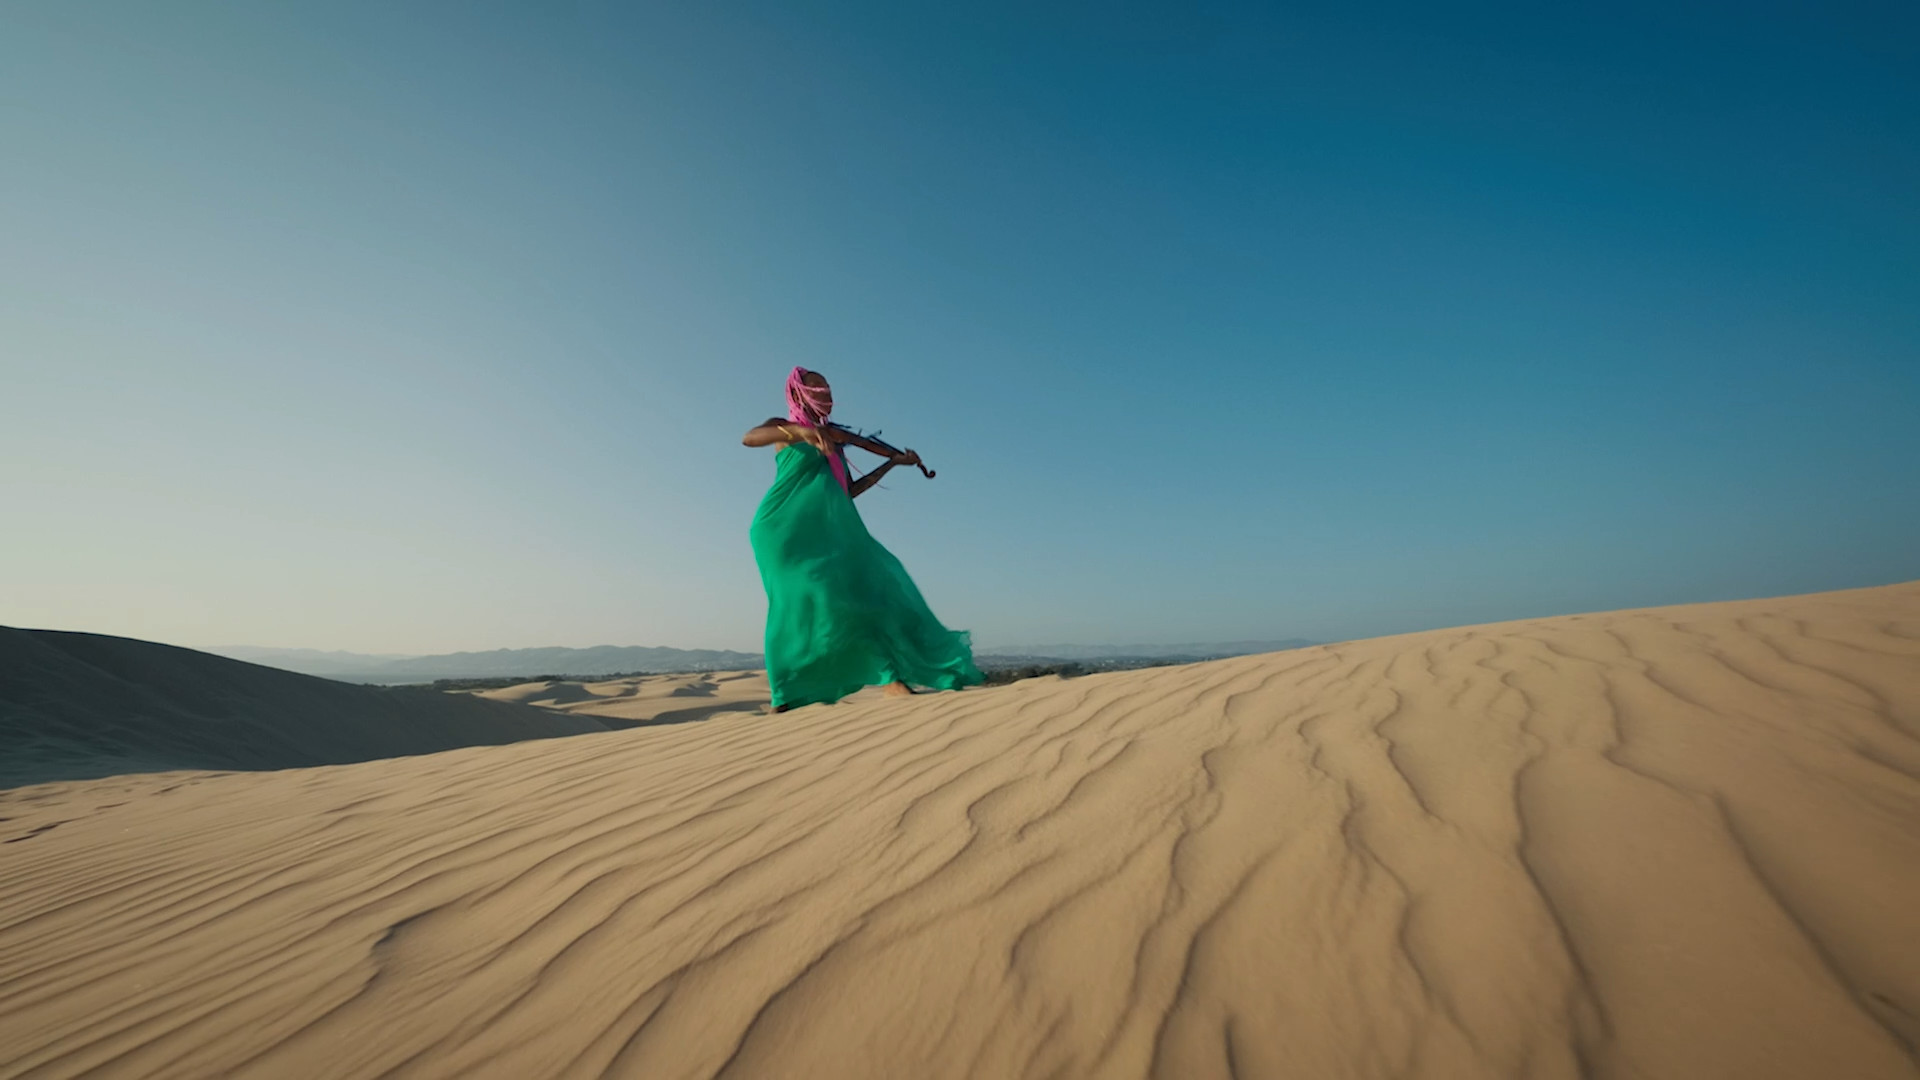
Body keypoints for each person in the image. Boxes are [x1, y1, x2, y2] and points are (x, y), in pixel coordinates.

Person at [743, 367, 983, 711]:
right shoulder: (783, 427)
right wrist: (800, 432)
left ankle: (891, 678)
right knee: (799, 604)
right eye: (817, 389)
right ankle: (786, 693)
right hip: (782, 533)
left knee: (870, 589)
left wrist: (895, 463)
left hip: (828, 535)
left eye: (828, 389)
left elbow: (849, 489)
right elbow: (748, 437)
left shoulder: (833, 438)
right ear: (798, 393)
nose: (825, 394)